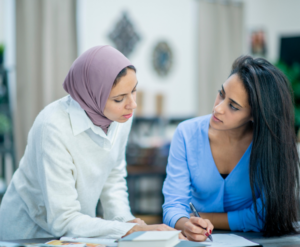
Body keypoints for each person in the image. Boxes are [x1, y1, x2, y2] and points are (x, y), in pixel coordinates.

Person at [0, 46, 178, 240]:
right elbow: (64, 220)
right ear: (92, 96)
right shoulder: (52, 127)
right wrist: (125, 230)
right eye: (119, 99)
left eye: (134, 91)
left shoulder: (120, 117)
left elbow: (113, 175)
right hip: (27, 235)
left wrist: (125, 221)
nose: (132, 104)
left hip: (74, 234)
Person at [163, 55, 300, 241]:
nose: (218, 108)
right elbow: (173, 206)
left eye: (233, 106)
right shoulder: (186, 134)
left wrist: (200, 218)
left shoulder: (270, 145)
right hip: (197, 241)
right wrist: (185, 223)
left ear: (254, 115)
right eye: (221, 93)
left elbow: (267, 216)